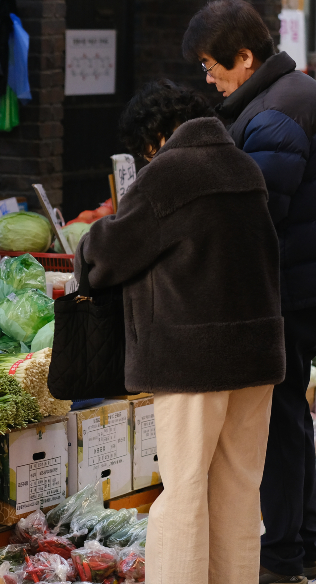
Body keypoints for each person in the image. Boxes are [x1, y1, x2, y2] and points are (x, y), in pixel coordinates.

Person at [75, 80, 285, 584]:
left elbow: (108, 254)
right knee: (238, 489)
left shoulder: (168, 173)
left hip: (193, 358)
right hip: (256, 353)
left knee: (184, 491)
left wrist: (84, 252)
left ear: (153, 139)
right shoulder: (243, 165)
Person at [183, 2, 316, 582]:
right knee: (293, 417)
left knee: (281, 418)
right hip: (303, 281)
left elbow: (257, 222)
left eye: (214, 66)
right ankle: (304, 540)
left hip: (289, 288)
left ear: (245, 57)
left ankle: (282, 556)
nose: (208, 79)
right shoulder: (295, 92)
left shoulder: (273, 118)